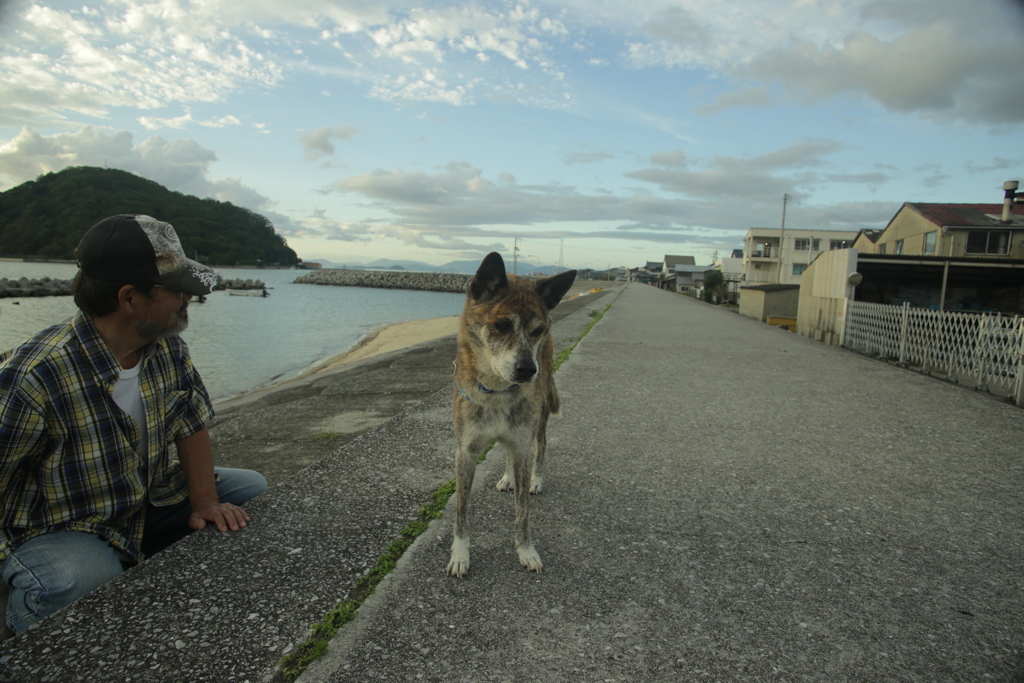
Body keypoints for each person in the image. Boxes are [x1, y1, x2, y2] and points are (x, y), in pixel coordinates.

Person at [0, 214, 267, 635]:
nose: (189, 299)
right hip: (62, 523)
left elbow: (190, 422)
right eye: (177, 290)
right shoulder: (37, 375)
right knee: (79, 579)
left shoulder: (166, 348)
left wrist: (204, 502)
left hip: (145, 499)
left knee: (249, 492)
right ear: (129, 299)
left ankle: (134, 561)